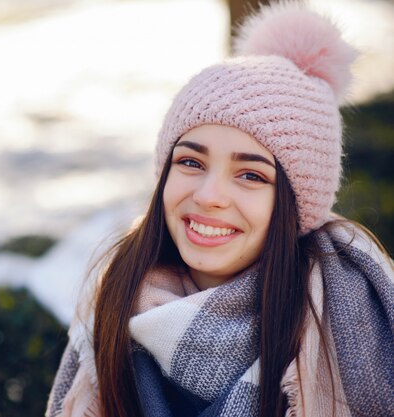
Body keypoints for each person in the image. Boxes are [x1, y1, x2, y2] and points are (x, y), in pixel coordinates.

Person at [45, 2, 394, 417]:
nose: (210, 195)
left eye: (251, 175)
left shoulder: (347, 318)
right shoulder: (116, 299)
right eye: (191, 163)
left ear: (298, 206)